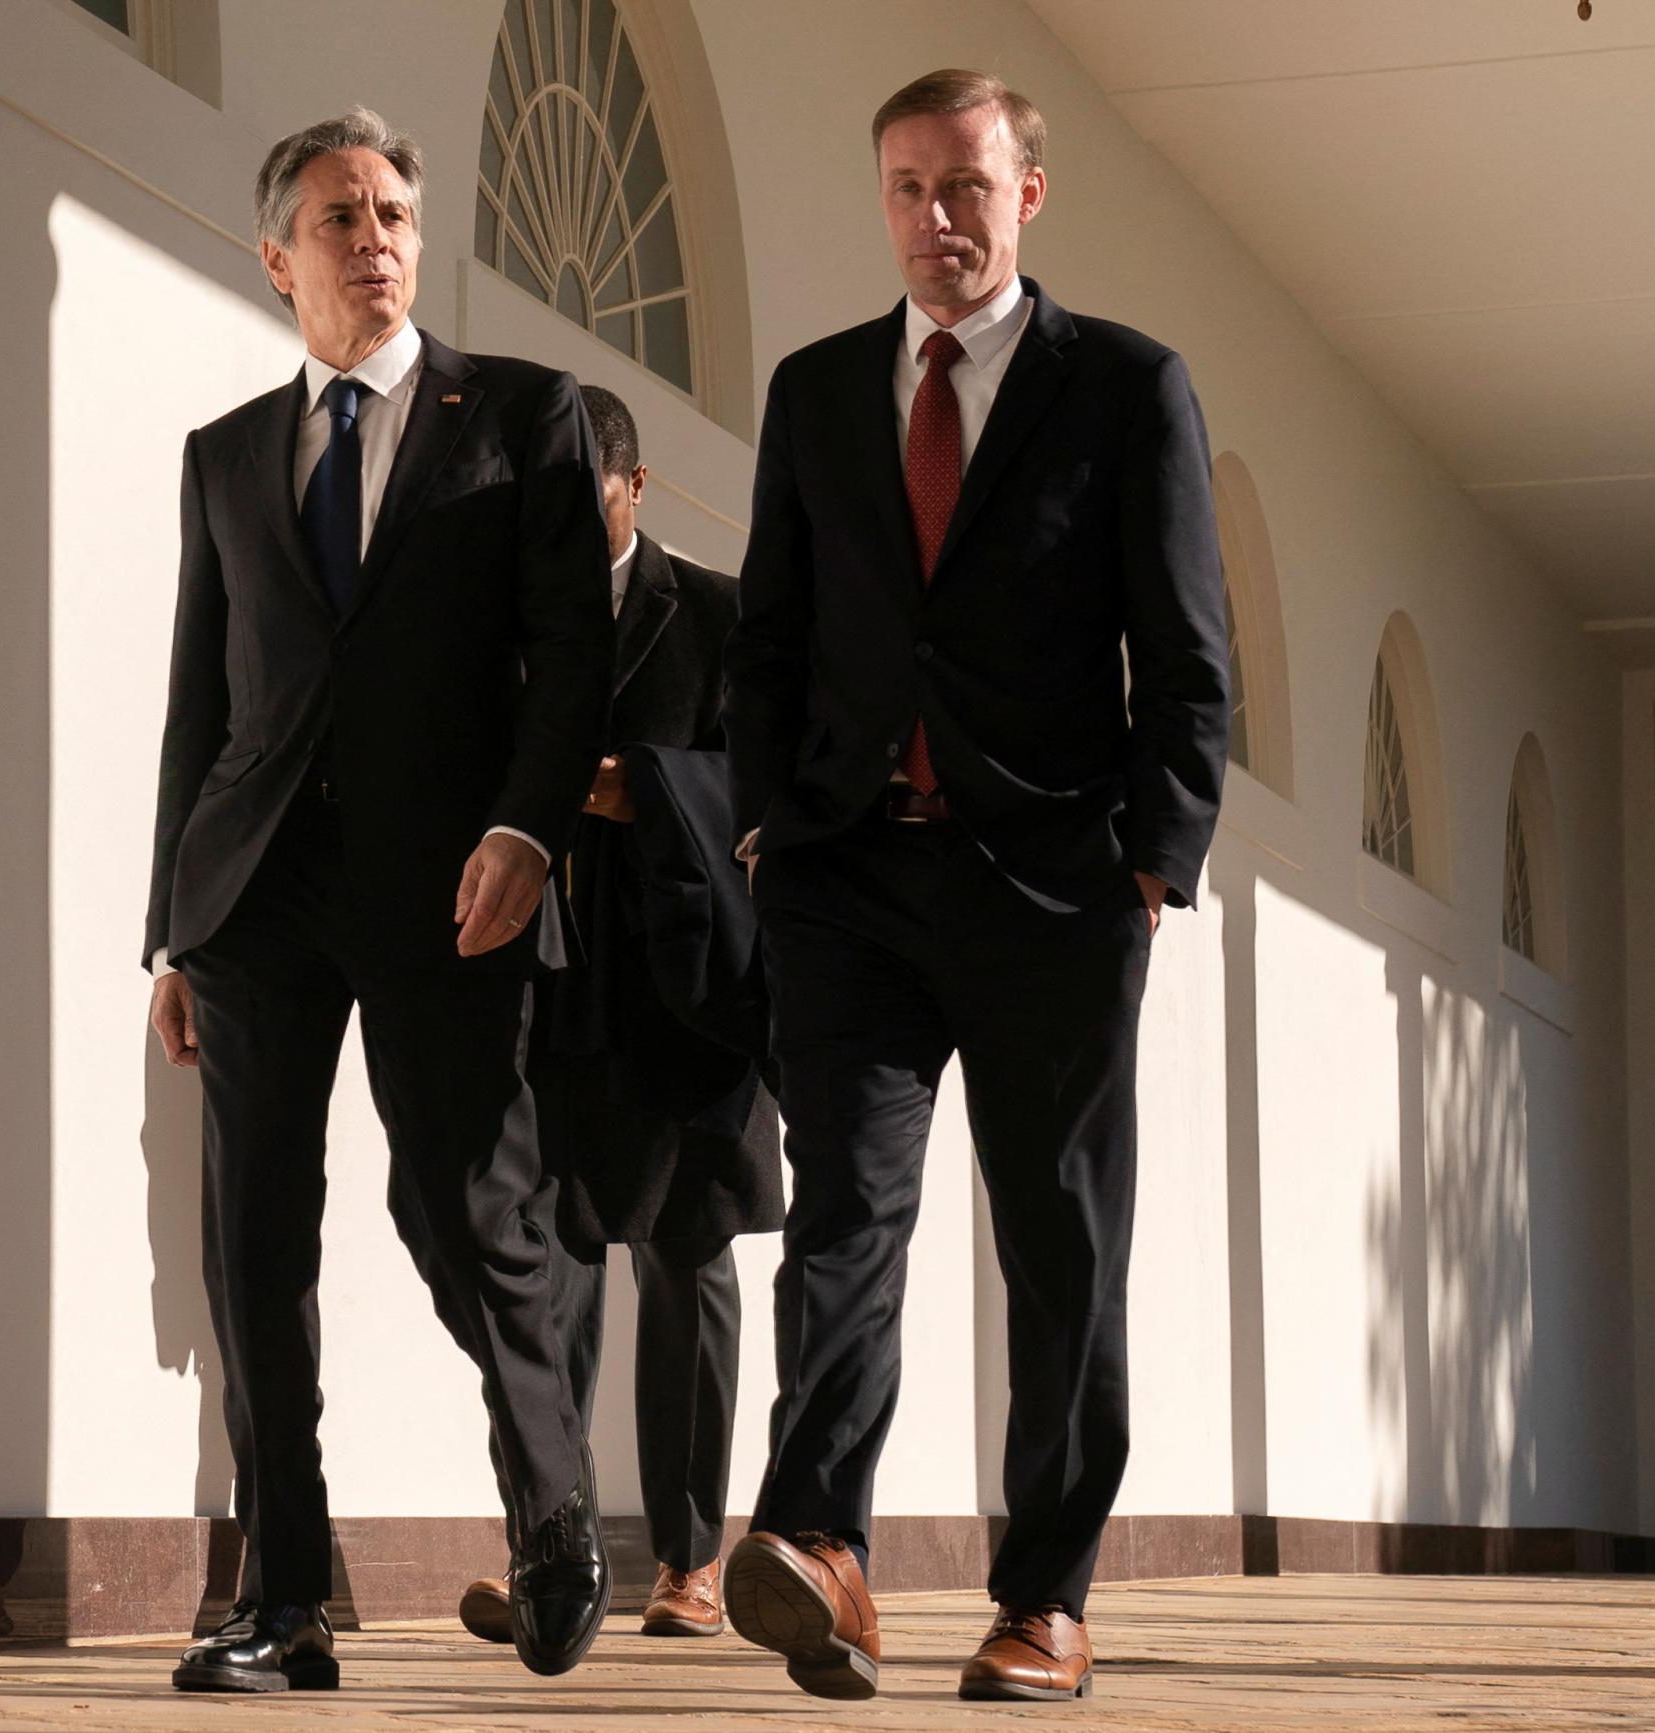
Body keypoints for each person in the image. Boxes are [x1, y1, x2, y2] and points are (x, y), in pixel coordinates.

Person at [719, 69, 1228, 1704]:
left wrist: (1155, 858)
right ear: (882, 200)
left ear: (1029, 195)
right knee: (846, 1216)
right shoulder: (812, 394)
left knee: (1059, 1238)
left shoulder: (1127, 388)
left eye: (966, 187)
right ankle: (825, 1548)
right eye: (907, 188)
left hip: (1054, 886)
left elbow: (1189, 650)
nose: (935, 218)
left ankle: (1045, 1597)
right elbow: (771, 638)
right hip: (847, 873)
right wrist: (758, 822)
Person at [146, 107, 616, 1692]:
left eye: (397, 211)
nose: (377, 239)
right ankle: (286, 1596)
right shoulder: (224, 458)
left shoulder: (525, 417)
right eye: (341, 217)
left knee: (472, 1208)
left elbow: (572, 662)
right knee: (253, 1247)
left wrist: (527, 830)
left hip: (453, 885)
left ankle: (552, 1508)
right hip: (259, 892)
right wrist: (172, 928)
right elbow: (199, 709)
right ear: (277, 257)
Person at [456, 387, 781, 1648]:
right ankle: (559, 1546)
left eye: (584, 487)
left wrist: (631, 787)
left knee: (688, 1254)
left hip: (687, 985)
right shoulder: (503, 627)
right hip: (549, 982)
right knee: (550, 1256)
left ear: (635, 490)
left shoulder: (714, 612)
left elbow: (760, 779)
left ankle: (692, 1559)